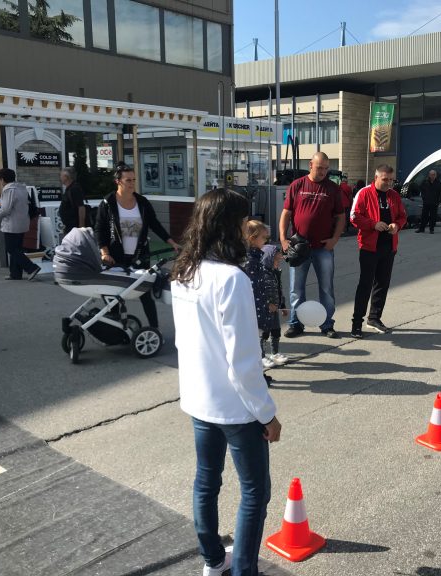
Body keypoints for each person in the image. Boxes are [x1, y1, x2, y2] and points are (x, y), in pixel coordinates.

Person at [169, 188, 281, 576]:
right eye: (242, 221)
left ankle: (214, 561)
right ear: (229, 226)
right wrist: (267, 414)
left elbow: (185, 342)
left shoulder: (183, 272)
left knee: (206, 482)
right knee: (255, 491)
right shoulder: (232, 279)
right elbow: (244, 361)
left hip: (199, 398)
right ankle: (243, 569)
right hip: (236, 407)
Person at [94, 164, 179, 328]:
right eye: (128, 180)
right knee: (115, 294)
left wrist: (171, 242)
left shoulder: (142, 202)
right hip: (116, 257)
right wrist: (104, 252)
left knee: (145, 293)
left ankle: (154, 329)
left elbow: (155, 224)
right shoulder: (108, 203)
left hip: (140, 255)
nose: (132, 183)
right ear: (118, 181)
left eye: (133, 180)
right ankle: (117, 328)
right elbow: (100, 229)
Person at [278, 151, 345, 338]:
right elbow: (286, 213)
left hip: (323, 248)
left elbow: (341, 217)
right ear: (310, 165)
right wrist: (283, 239)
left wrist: (335, 239)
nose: (323, 172)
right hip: (299, 247)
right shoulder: (297, 185)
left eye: (326, 168)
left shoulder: (333, 188)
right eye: (319, 167)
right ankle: (295, 324)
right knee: (296, 289)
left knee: (326, 288)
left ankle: (327, 324)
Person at [349, 164, 407, 337]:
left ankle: (374, 318)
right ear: (376, 178)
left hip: (389, 247)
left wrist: (397, 225)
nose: (388, 183)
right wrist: (373, 224)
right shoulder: (364, 193)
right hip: (369, 247)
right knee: (365, 284)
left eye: (391, 180)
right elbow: (354, 216)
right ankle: (356, 323)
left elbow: (402, 216)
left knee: (382, 284)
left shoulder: (394, 195)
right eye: (385, 179)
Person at [244, 220, 282, 369]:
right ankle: (258, 367)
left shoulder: (256, 257)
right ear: (252, 238)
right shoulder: (251, 261)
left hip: (260, 307)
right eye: (264, 237)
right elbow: (255, 288)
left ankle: (260, 369)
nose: (266, 241)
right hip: (256, 308)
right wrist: (266, 305)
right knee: (256, 338)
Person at [0, 168, 41, 281]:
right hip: (23, 223)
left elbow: (6, 209)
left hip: (11, 224)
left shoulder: (8, 190)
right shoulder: (22, 189)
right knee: (17, 249)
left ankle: (31, 268)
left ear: (2, 179)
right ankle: (15, 274)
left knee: (11, 249)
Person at [261, 243, 289, 366]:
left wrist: (282, 306)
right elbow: (258, 293)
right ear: (268, 259)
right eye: (276, 260)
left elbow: (279, 290)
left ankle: (275, 353)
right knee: (263, 334)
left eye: (279, 260)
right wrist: (267, 304)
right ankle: (261, 356)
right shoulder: (261, 274)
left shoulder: (275, 273)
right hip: (264, 311)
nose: (279, 262)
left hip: (275, 309)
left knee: (276, 331)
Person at [58, 167, 87, 236]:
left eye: (61, 175)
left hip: (74, 228)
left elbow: (81, 207)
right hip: (69, 227)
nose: (60, 178)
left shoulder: (74, 188)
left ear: (66, 177)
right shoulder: (69, 189)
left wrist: (81, 228)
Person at [417, 169, 441, 234]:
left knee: (433, 216)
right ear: (429, 175)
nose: (432, 176)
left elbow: (440, 193)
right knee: (424, 216)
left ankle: (431, 229)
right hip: (426, 202)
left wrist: (439, 201)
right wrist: (424, 197)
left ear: (436, 175)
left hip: (434, 203)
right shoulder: (425, 182)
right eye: (431, 174)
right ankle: (421, 229)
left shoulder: (438, 183)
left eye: (434, 175)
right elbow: (421, 190)